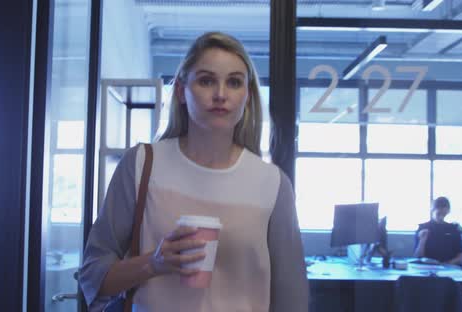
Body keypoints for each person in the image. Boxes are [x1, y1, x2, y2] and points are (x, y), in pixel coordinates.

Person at [79, 32, 309, 312]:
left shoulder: (272, 184)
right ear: (181, 91)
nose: (221, 94)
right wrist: (154, 263)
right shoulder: (142, 165)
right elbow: (93, 276)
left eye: (234, 82)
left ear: (247, 97)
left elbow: (291, 300)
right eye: (206, 80)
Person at [414, 196, 462, 265]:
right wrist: (422, 240)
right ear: (433, 210)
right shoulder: (423, 228)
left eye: (444, 214)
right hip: (428, 266)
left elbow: (460, 257)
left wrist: (446, 264)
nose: (441, 216)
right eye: (439, 213)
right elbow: (418, 256)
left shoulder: (453, 229)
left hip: (449, 267)